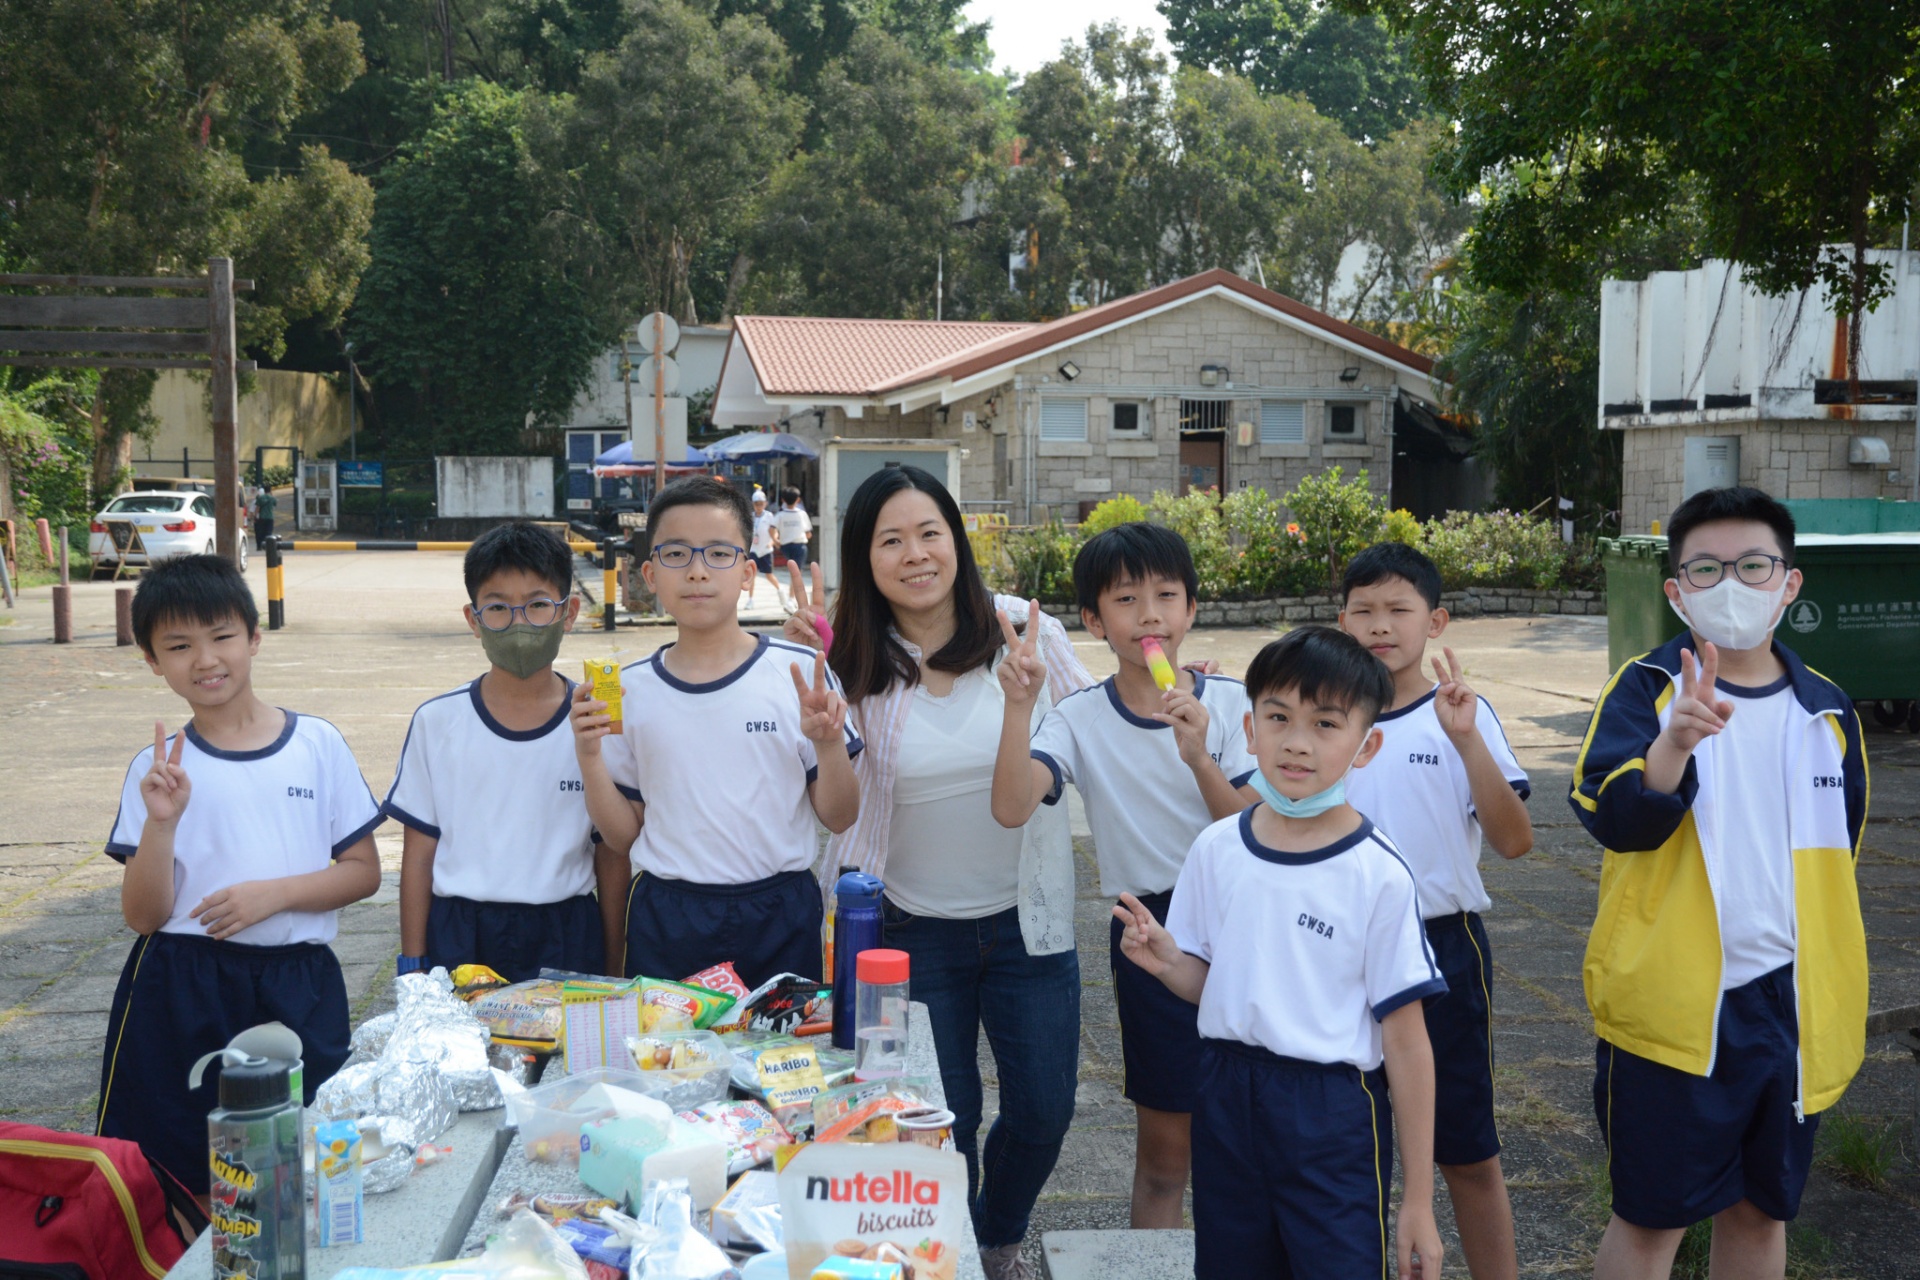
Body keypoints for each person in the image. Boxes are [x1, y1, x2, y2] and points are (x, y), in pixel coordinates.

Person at [783, 464, 1094, 1280]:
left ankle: (996, 1233)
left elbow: (1098, 730)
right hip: (903, 937)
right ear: (865, 558)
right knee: (932, 1121)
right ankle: (948, 1252)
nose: (916, 554)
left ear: (957, 538)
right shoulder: (848, 657)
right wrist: (817, 714)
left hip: (1029, 927)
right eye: (891, 541)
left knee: (1044, 1112)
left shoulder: (1026, 631)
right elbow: (837, 811)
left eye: (930, 532)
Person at [1570, 487, 1867, 1280]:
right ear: (1676, 590)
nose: (1731, 584)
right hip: (1673, 1008)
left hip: (1790, 1007)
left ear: (1789, 583)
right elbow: (1614, 819)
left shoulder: (1828, 712)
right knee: (1650, 1220)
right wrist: (1672, 747)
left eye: (1753, 565)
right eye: (1707, 569)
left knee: (1761, 1214)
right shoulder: (1645, 689)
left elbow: (1842, 855)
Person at [1115, 625, 1445, 1280]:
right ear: (1249, 729)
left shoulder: (1377, 873)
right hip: (1226, 1095)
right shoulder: (1218, 848)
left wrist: (1417, 1200)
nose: (1297, 741)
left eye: (1326, 724)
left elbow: (1407, 1043)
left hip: (1331, 1111)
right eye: (1278, 717)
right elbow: (1215, 985)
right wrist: (1168, 961)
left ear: (1367, 745)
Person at [989, 521, 1257, 1229]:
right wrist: (1018, 708)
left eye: (1166, 596)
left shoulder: (1236, 705)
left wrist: (1200, 756)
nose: (1149, 617)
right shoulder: (1078, 718)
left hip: (1248, 922)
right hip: (1149, 930)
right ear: (1093, 621)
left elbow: (1255, 834)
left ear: (1191, 609)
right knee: (1166, 1156)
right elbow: (1012, 807)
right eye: (1127, 599)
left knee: (1255, 1143)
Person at [96, 554, 383, 1196]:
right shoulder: (156, 770)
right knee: (179, 1166)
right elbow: (143, 917)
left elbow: (363, 872)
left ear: (254, 637)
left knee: (311, 1159)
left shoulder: (317, 744)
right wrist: (161, 823)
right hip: (182, 984)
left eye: (221, 636)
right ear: (152, 660)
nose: (205, 659)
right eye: (178, 646)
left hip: (300, 984)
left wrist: (274, 896)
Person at [574, 476, 861, 986]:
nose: (698, 570)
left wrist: (829, 743)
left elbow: (840, 816)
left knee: (780, 1039)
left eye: (719, 553)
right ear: (649, 574)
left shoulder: (800, 673)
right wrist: (590, 757)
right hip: (669, 915)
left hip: (780, 912)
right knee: (668, 1041)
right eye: (676, 554)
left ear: (748, 573)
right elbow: (621, 835)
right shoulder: (627, 689)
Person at [1337, 541, 1532, 1280]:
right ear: (1341, 621)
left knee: (1467, 1153)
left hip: (1441, 952)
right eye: (1363, 611)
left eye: (1399, 609)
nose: (1380, 626)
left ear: (1436, 621)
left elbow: (1514, 840)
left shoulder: (1459, 716)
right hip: (1342, 955)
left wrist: (1468, 740)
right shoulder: (1325, 720)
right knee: (1350, 1152)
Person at [387, 523, 629, 982]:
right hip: (462, 933)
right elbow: (418, 855)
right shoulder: (438, 721)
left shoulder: (596, 720)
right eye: (498, 607)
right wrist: (412, 968)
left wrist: (615, 965)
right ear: (473, 619)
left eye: (538, 604)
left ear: (569, 612)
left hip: (566, 930)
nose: (519, 623)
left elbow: (612, 856)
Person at [774, 486, 812, 570]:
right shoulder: (802, 514)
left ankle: (793, 579)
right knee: (797, 570)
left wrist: (775, 540)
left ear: (783, 500)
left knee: (792, 569)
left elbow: (772, 528)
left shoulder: (780, 515)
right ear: (798, 500)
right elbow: (808, 533)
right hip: (799, 545)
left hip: (785, 546)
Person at [750, 488, 777, 577]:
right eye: (756, 504)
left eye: (761, 504)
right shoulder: (750, 516)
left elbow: (774, 531)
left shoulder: (769, 516)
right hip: (753, 549)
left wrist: (772, 542)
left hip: (765, 549)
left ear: (765, 503)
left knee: (769, 574)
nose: (759, 507)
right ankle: (751, 588)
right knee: (751, 573)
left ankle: (778, 586)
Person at [254, 484, 277, 550]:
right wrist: (272, 495)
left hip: (262, 517)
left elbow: (257, 508)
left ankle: (261, 546)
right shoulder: (272, 498)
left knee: (261, 532)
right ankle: (268, 546)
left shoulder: (260, 498)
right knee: (269, 532)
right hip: (270, 517)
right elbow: (275, 504)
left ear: (264, 490)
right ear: (270, 490)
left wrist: (255, 516)